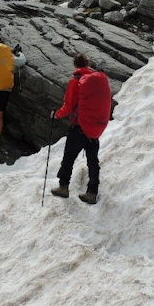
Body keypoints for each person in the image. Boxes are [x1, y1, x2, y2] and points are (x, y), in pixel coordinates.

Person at [50, 53, 112, 205]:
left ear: (75, 66)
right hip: (94, 127)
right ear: (88, 64)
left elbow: (69, 106)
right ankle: (92, 192)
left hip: (78, 126)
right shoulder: (97, 80)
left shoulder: (76, 81)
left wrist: (56, 115)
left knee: (69, 157)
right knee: (93, 160)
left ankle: (63, 188)